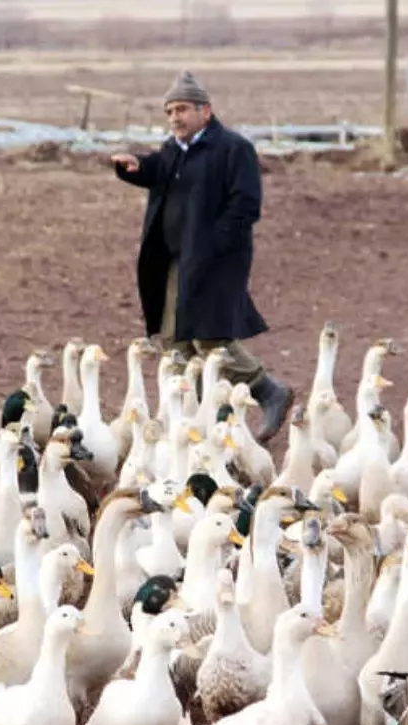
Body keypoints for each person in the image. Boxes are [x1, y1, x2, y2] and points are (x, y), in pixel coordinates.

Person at [110, 69, 293, 444]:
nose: (175, 117)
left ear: (205, 112)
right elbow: (160, 172)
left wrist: (215, 244)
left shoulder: (233, 149)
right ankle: (194, 422)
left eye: (181, 109)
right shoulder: (173, 150)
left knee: (209, 338)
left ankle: (268, 391)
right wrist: (136, 167)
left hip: (217, 261)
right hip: (176, 259)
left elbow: (246, 205)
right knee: (176, 343)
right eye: (169, 111)